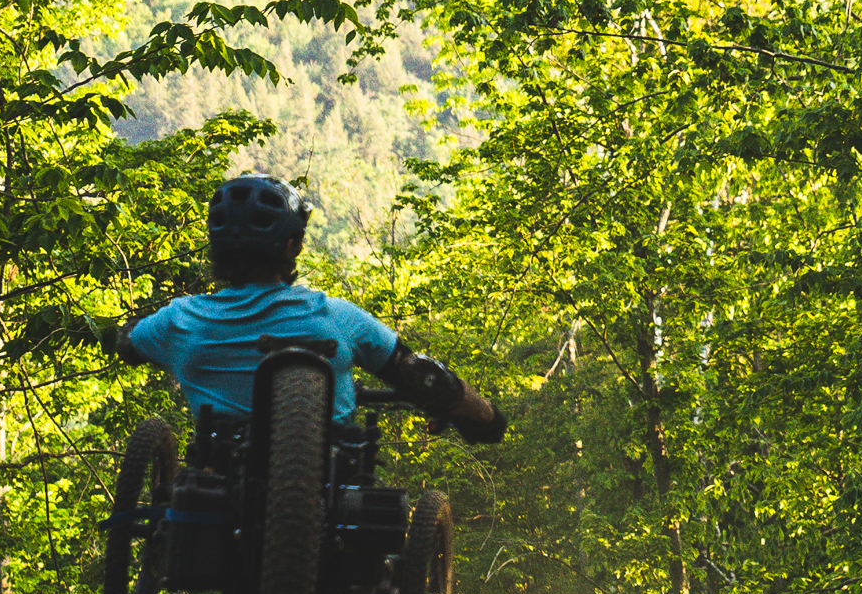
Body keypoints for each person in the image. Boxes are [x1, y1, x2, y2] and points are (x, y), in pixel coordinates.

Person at [27, 173, 507, 442]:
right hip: (330, 469)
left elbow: (126, 344)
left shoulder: (180, 320)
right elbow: (417, 374)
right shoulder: (334, 316)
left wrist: (133, 328)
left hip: (219, 470)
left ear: (214, 247)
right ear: (293, 247)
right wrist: (480, 416)